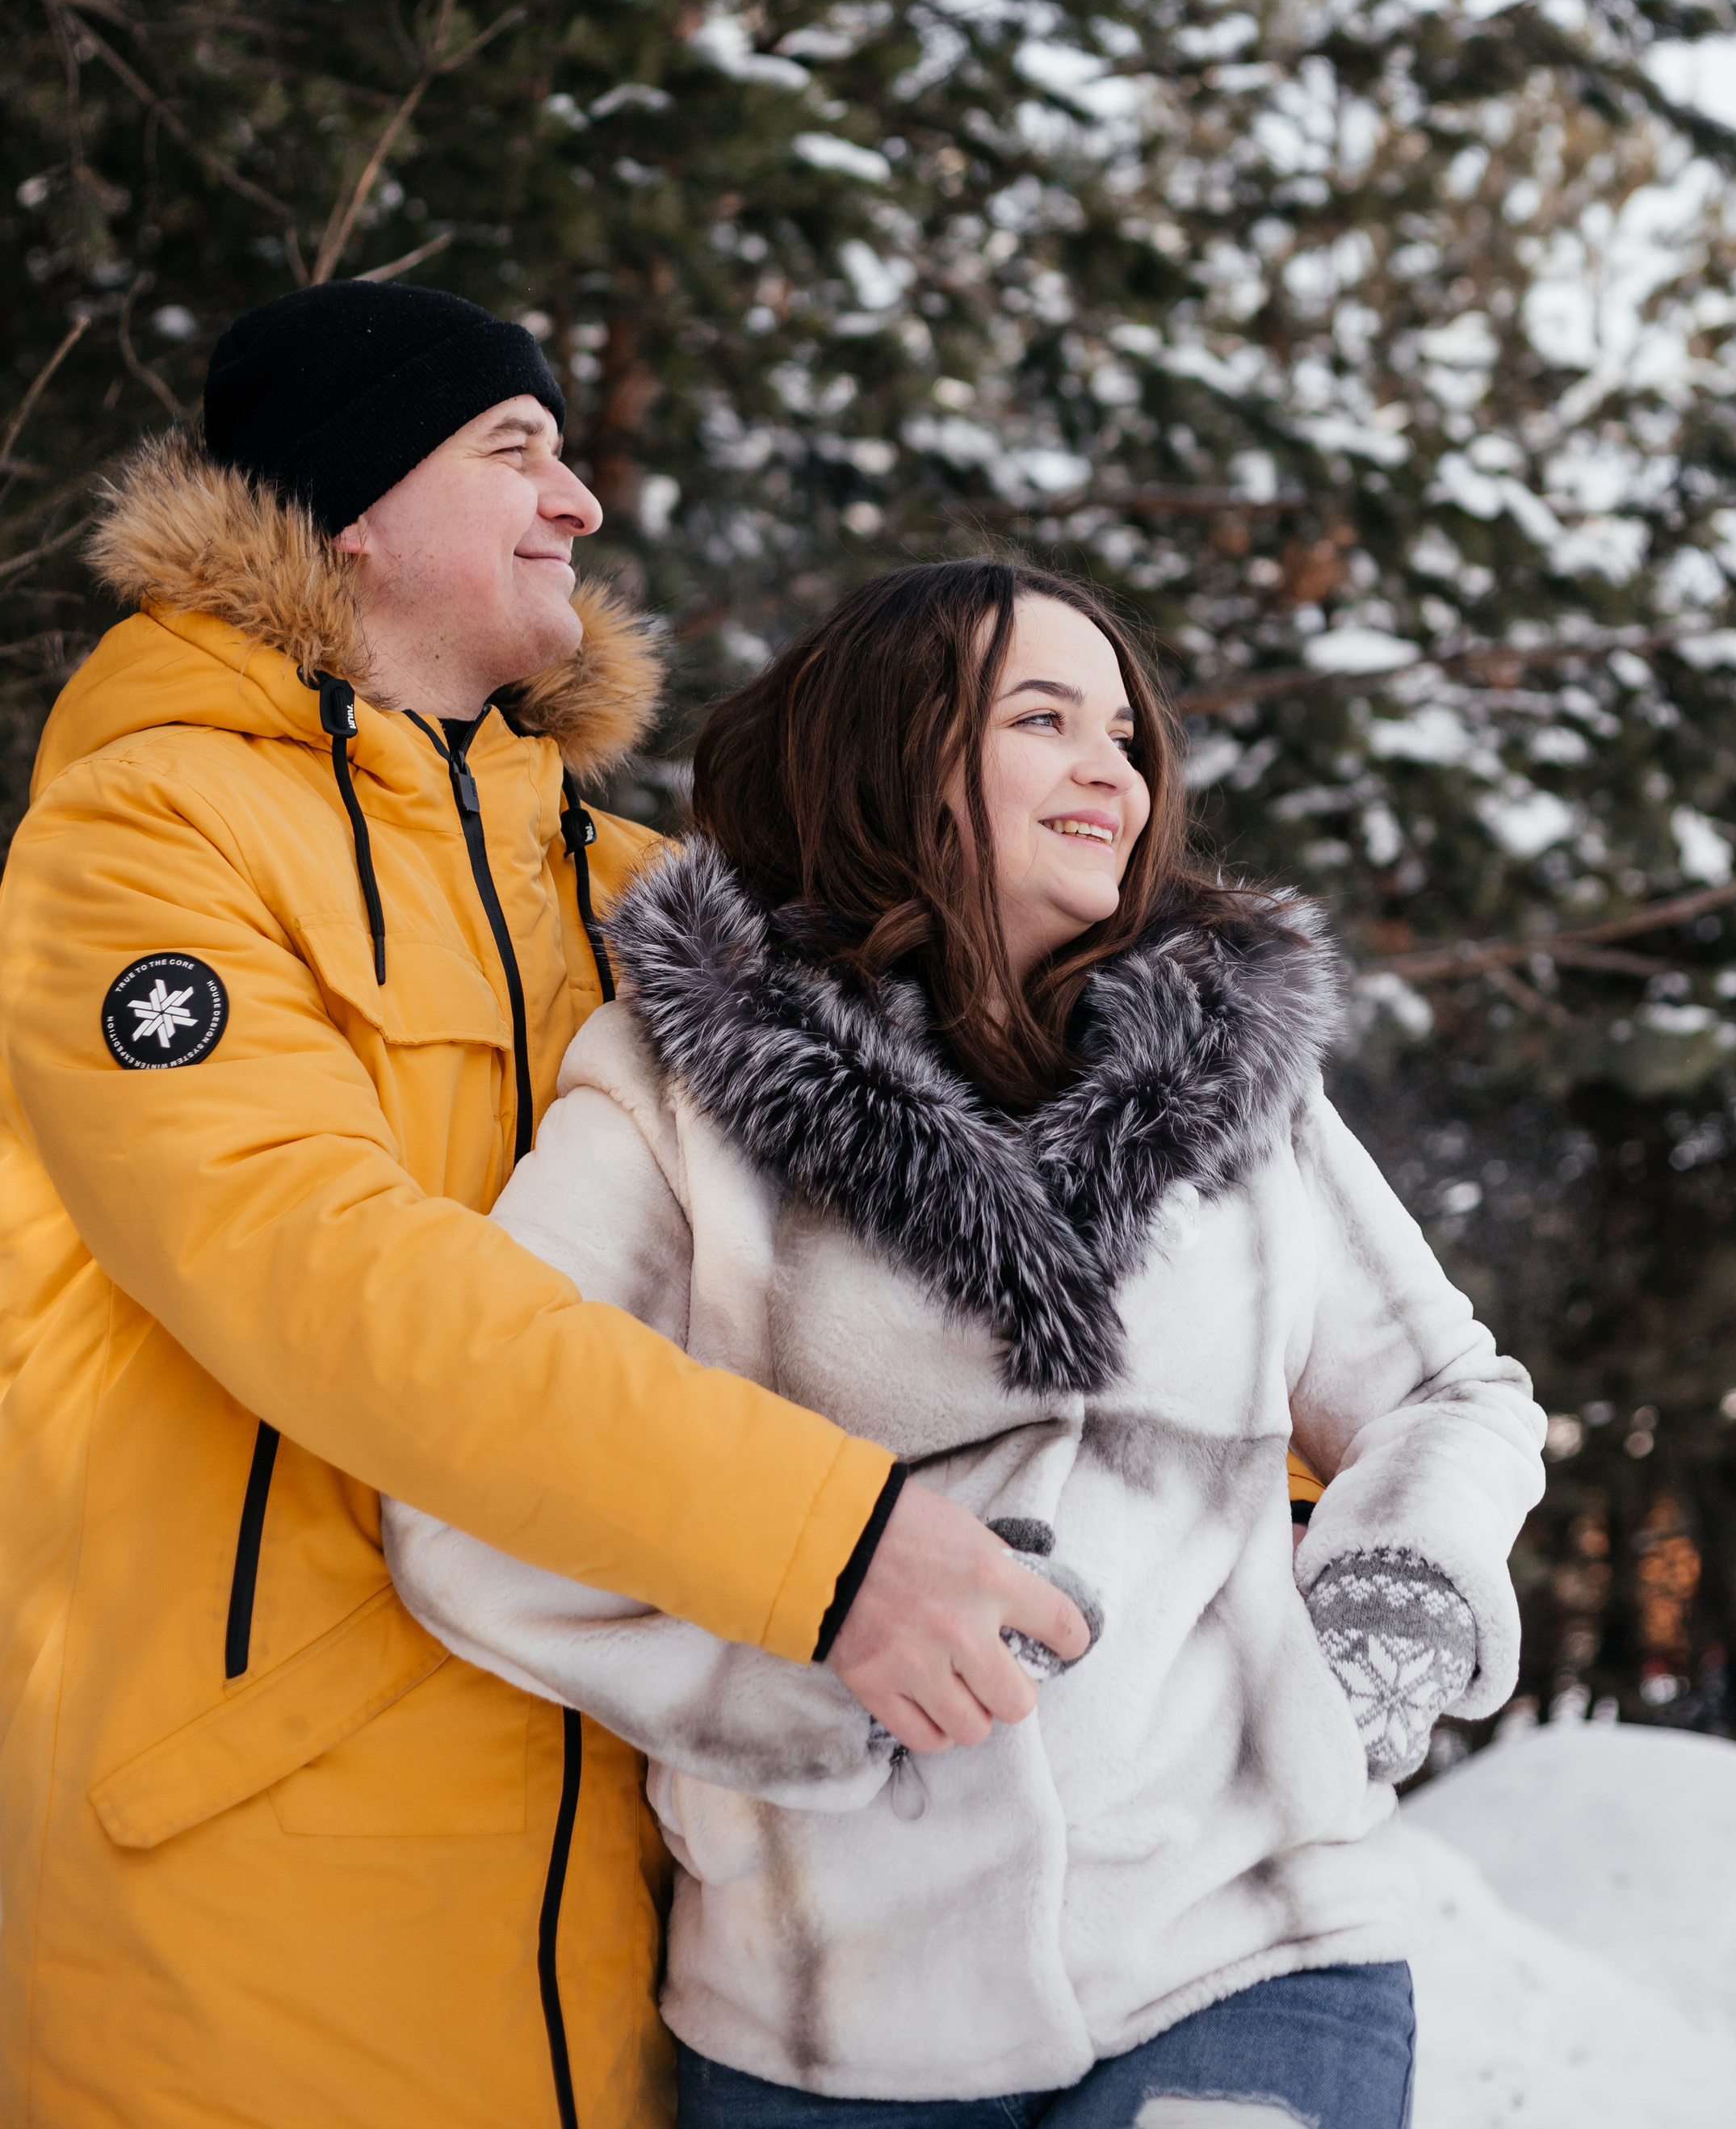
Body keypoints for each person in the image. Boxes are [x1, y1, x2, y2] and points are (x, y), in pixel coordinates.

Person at [0, 286, 1084, 2129]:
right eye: (516, 449)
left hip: (627, 1908)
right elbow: (320, 1273)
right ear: (351, 506)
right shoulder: (145, 840)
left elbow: (930, 1204)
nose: (580, 501)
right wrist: (824, 1546)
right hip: (249, 1901)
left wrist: (1246, 1465)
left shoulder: (633, 892)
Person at [384, 561, 1548, 2129]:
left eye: (1124, 735)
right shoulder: (675, 1099)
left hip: (1250, 1944)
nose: (1112, 772)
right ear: (891, 752)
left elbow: (1444, 1395)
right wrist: (818, 1678)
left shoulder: (1234, 1079)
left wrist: (1390, 1603)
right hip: (825, 2014)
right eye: (1041, 720)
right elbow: (474, 1491)